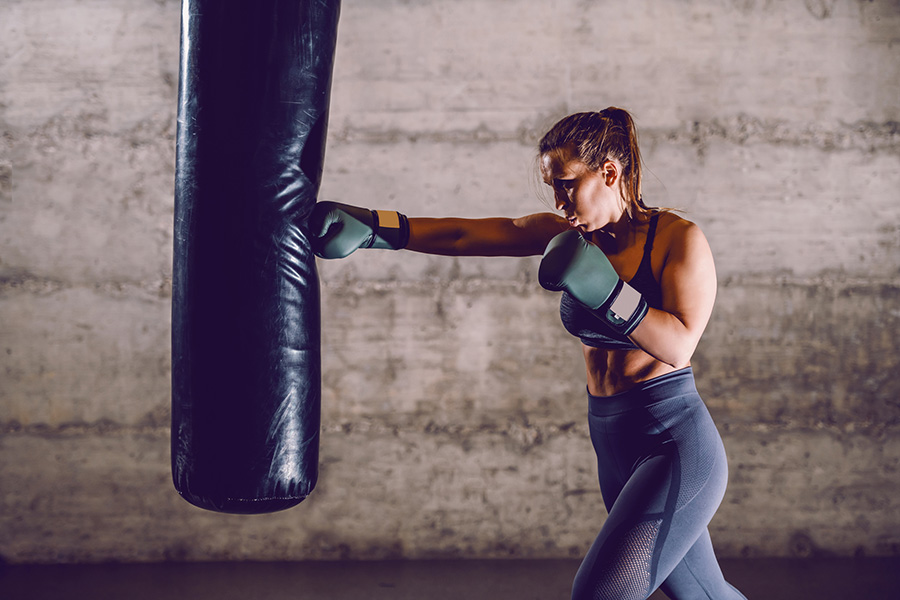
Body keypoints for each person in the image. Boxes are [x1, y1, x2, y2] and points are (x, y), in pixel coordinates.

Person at [308, 107, 746, 600]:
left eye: (566, 184)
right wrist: (374, 227)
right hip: (613, 440)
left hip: (674, 442)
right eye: (552, 189)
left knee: (599, 594)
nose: (560, 202)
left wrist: (607, 292)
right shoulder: (570, 237)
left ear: (609, 173)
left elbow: (680, 343)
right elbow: (467, 235)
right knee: (704, 595)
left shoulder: (678, 240)